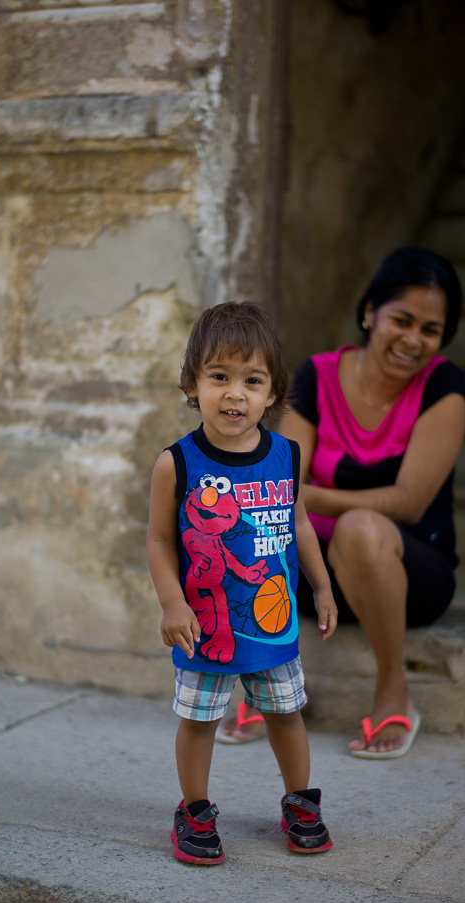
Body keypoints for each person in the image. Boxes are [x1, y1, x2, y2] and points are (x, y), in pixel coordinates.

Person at [147, 301, 337, 864]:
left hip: (271, 626)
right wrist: (171, 602)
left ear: (273, 391)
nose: (236, 394)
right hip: (203, 627)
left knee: (285, 712)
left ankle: (300, 801)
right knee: (201, 719)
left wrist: (321, 587)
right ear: (192, 384)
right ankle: (195, 809)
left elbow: (299, 524)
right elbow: (159, 541)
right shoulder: (176, 463)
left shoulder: (285, 456)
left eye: (252, 380)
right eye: (219, 377)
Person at [277, 246, 465, 759]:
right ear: (370, 313)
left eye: (429, 330)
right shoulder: (316, 375)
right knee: (246, 522)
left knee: (361, 528)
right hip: (317, 572)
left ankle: (394, 690)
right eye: (401, 320)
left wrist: (316, 497)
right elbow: (284, 479)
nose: (413, 340)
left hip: (411, 572)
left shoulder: (445, 386)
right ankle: (274, 682)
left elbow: (408, 503)